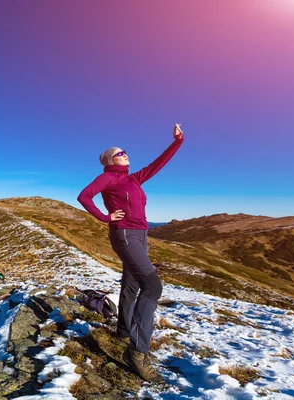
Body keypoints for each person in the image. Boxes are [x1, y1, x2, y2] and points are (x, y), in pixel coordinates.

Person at [77, 124, 184, 382]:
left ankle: (123, 331)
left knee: (132, 283)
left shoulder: (133, 179)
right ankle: (136, 352)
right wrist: (105, 217)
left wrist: (177, 142)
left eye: (124, 151)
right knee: (153, 287)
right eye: (119, 152)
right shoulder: (108, 177)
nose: (125, 153)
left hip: (141, 234)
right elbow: (84, 196)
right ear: (110, 160)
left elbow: (158, 164)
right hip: (124, 234)